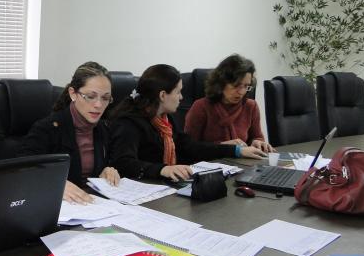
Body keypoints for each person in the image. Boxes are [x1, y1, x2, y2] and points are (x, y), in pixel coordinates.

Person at [109, 64, 265, 182]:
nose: (182, 97)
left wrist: (235, 151)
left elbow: (191, 147)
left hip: (166, 188)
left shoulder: (165, 120)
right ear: (163, 95)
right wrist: (163, 170)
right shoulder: (129, 123)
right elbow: (123, 163)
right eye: (178, 92)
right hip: (143, 194)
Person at [19, 62, 120, 204]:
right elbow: (23, 171)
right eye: (91, 96)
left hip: (93, 204)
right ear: (73, 94)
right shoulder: (47, 129)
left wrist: (107, 171)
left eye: (105, 98)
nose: (98, 105)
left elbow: (110, 163)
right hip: (58, 206)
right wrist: (56, 183)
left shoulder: (104, 128)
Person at [184, 54, 275, 152]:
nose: (241, 92)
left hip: (243, 164)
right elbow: (189, 148)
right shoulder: (201, 107)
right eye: (236, 85)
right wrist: (222, 146)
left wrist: (258, 142)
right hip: (210, 164)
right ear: (221, 82)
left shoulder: (251, 106)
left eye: (246, 86)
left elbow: (257, 137)